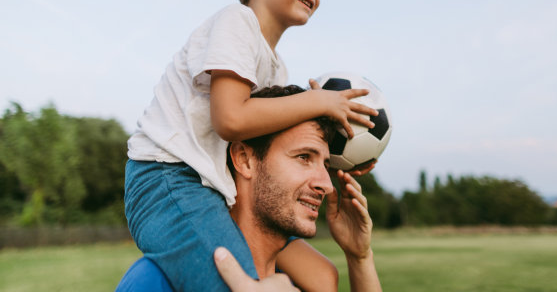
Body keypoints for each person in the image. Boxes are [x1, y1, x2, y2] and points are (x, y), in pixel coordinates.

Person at [123, 0, 378, 291]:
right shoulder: (236, 22)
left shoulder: (277, 69)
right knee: (235, 283)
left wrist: (343, 156)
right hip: (168, 179)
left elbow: (270, 147)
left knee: (322, 277)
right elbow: (230, 120)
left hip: (215, 186)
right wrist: (316, 100)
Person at [117, 85, 382, 292]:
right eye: (303, 157)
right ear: (244, 160)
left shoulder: (302, 282)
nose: (325, 184)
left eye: (324, 164)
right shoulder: (156, 279)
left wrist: (360, 258)